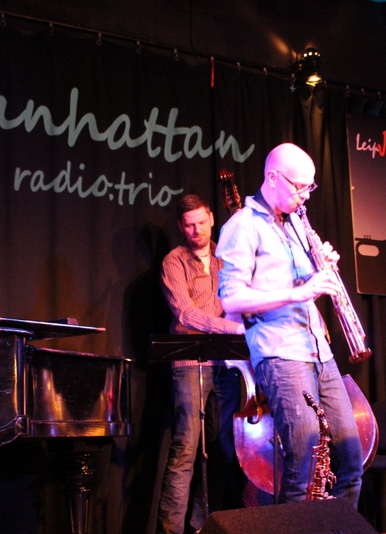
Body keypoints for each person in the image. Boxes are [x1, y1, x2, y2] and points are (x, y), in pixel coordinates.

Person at [215, 142, 364, 505]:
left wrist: (322, 267)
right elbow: (231, 299)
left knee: (351, 458)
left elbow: (304, 283)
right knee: (302, 467)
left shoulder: (297, 222)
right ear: (272, 178)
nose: (305, 196)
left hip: (319, 351)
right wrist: (298, 292)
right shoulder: (242, 226)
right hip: (281, 353)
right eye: (299, 187)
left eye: (310, 187)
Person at [158, 193, 246, 534]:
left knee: (223, 450)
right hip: (189, 363)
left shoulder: (228, 257)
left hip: (228, 364)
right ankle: (172, 530)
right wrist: (233, 328)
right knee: (186, 449)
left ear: (211, 219)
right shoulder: (173, 261)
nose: (197, 231)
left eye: (201, 222)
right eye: (189, 225)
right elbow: (186, 313)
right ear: (180, 227)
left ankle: (201, 526)